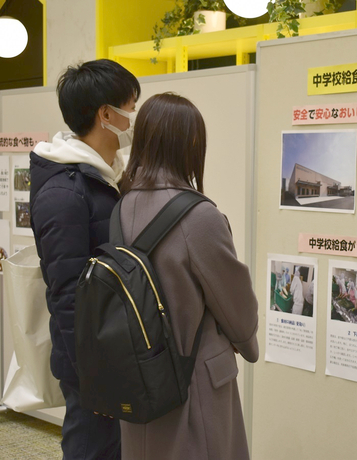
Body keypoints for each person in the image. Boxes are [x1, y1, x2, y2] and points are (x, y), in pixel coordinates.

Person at [118, 93, 258, 459]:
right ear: (191, 145)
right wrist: (248, 344)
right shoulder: (199, 216)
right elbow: (236, 305)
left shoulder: (120, 206)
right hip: (193, 381)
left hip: (139, 378)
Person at [29, 59, 140, 460]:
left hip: (113, 348)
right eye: (131, 106)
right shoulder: (64, 193)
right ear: (106, 115)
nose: (133, 117)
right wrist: (90, 376)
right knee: (91, 447)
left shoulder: (106, 176)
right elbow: (67, 294)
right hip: (90, 361)